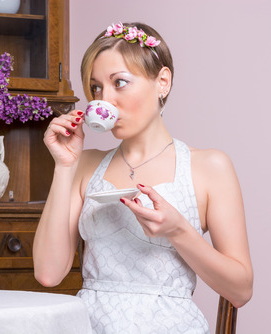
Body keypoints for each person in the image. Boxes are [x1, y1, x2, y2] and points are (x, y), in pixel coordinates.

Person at [32, 21, 253, 333]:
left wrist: (178, 231)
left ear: (162, 81)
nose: (104, 100)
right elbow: (48, 274)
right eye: (96, 87)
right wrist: (64, 166)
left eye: (119, 83)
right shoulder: (84, 164)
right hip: (90, 325)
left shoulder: (209, 167)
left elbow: (241, 291)